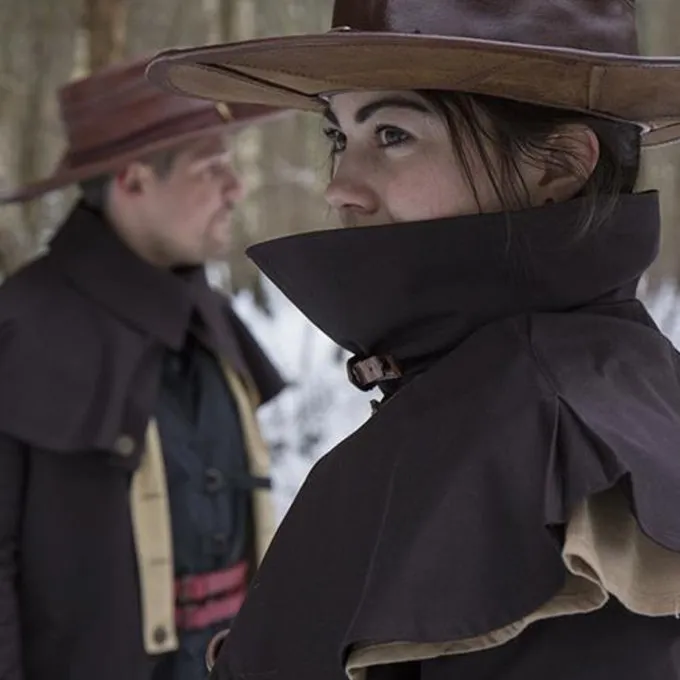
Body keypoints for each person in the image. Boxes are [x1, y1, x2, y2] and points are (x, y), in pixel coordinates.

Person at [147, 0, 680, 678]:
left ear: (557, 165)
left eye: (392, 134)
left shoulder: (548, 437)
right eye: (338, 137)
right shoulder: (573, 383)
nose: (339, 188)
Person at [0, 57, 287, 680]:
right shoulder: (19, 329)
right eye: (210, 167)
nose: (235, 187)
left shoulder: (210, 317)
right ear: (133, 181)